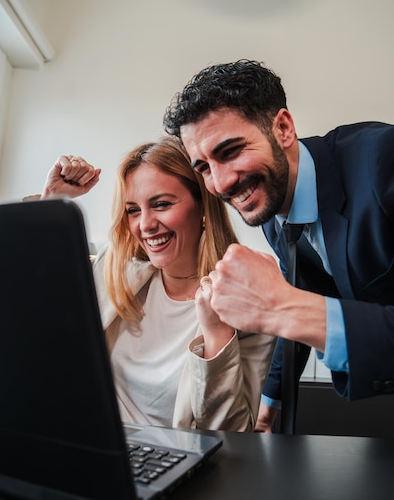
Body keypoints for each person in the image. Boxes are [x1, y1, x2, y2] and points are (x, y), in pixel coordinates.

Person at [162, 58, 394, 432]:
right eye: (204, 167)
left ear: (283, 128)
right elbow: (307, 287)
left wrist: (281, 307)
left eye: (230, 151)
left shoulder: (384, 159)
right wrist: (271, 400)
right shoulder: (270, 206)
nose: (220, 184)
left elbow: (293, 301)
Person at [38, 137, 276, 431]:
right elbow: (34, 309)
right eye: (133, 210)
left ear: (203, 207)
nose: (145, 224)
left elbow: (233, 434)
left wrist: (217, 336)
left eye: (161, 204)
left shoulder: (247, 295)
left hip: (180, 466)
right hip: (94, 445)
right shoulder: (116, 270)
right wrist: (51, 200)